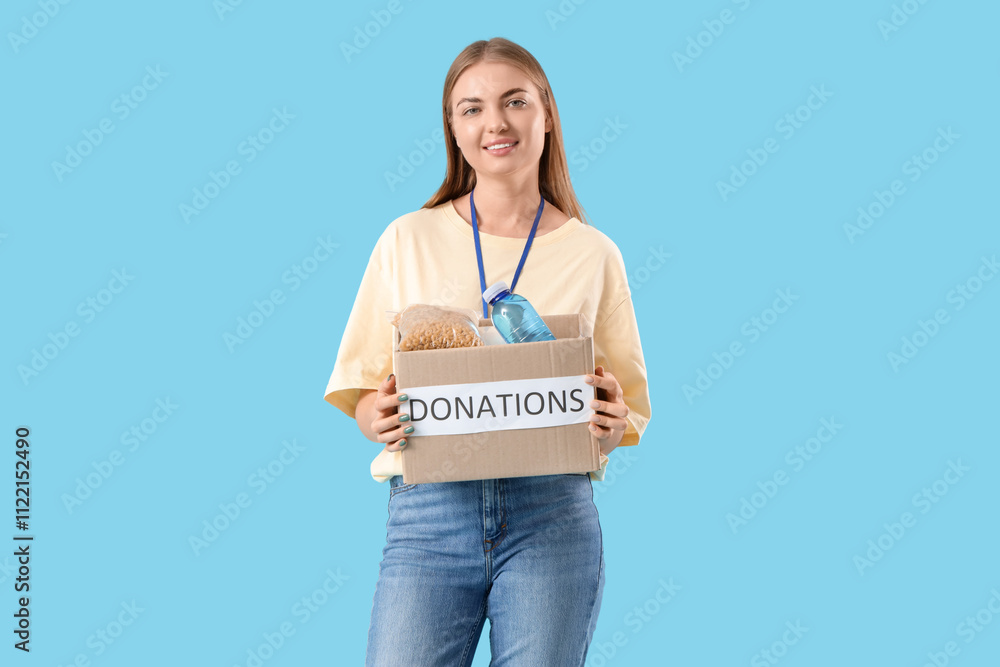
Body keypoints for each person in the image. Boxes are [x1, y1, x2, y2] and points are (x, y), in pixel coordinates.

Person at [324, 37, 651, 666]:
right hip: (429, 519)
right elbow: (362, 387)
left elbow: (625, 410)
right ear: (452, 127)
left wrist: (607, 422)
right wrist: (378, 416)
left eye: (514, 101)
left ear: (546, 112)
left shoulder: (594, 253)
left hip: (550, 516)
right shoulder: (406, 239)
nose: (494, 123)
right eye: (471, 108)